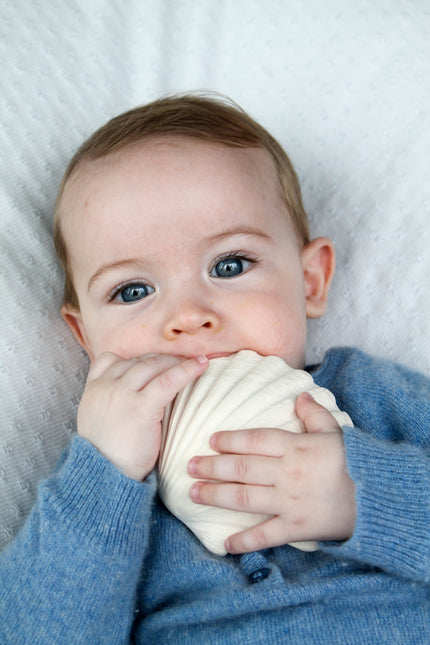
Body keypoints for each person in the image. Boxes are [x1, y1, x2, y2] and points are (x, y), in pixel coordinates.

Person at [0, 93, 429, 644]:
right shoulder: (106, 479)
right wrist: (105, 473)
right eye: (133, 291)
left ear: (310, 282)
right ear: (86, 337)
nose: (188, 316)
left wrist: (366, 495)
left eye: (229, 265)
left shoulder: (368, 396)